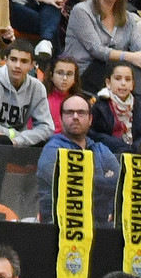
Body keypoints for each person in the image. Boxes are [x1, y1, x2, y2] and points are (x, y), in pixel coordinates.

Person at [37, 93, 121, 222]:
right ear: (61, 119)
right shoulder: (52, 150)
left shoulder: (101, 149)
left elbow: (119, 183)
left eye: (81, 113)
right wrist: (103, 180)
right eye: (69, 112)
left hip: (99, 224)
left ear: (90, 119)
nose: (75, 117)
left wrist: (92, 181)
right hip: (60, 223)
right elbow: (72, 188)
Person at [65, 0, 141, 93]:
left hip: (115, 74)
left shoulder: (128, 18)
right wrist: (130, 57)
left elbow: (138, 47)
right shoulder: (81, 11)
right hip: (84, 73)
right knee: (122, 70)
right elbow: (97, 50)